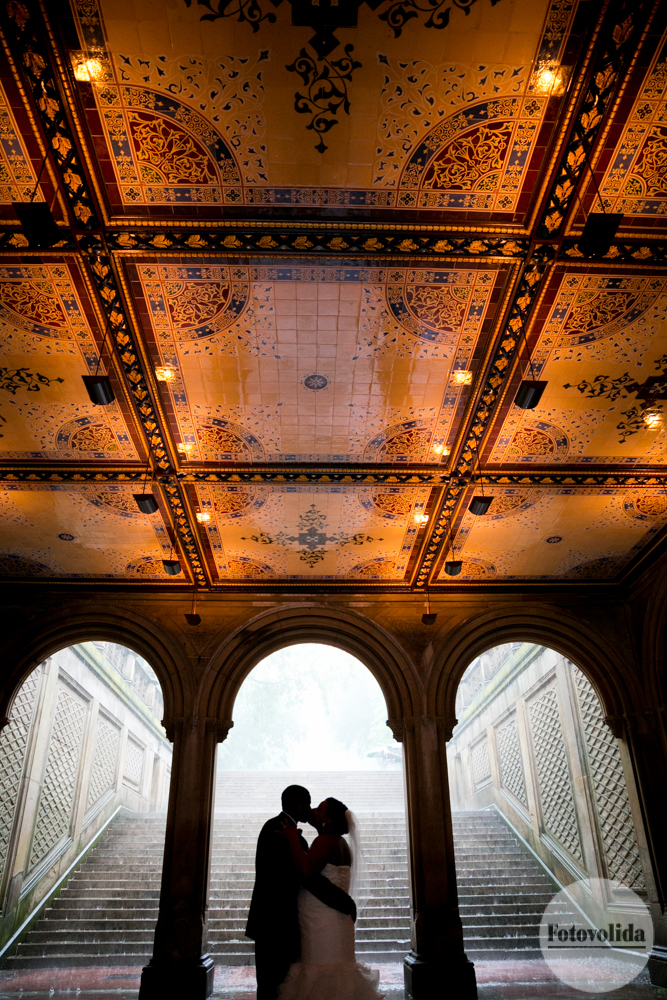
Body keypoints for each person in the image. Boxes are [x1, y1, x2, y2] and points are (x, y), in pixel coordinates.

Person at [246, 785, 357, 1000]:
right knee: (272, 985)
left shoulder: (288, 832)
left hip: (283, 922)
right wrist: (343, 901)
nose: (310, 809)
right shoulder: (279, 830)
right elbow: (309, 879)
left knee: (280, 984)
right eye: (308, 804)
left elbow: (309, 875)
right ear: (295, 804)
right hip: (274, 922)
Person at [278, 796, 385, 1000]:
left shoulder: (325, 841)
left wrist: (292, 837)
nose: (313, 810)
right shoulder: (340, 842)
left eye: (319, 809)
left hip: (322, 919)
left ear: (328, 820)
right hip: (336, 916)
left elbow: (306, 870)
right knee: (339, 969)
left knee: (321, 971)